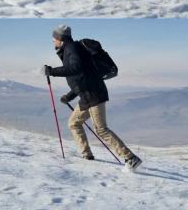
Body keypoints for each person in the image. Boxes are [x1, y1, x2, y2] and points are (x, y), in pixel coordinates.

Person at [43, 24, 142, 171]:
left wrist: (52, 71)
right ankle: (87, 155)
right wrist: (69, 96)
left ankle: (130, 158)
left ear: (60, 39)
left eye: (54, 39)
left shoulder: (72, 49)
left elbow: (77, 68)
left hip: (94, 95)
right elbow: (82, 78)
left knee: (101, 129)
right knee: (73, 123)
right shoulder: (70, 50)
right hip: (87, 96)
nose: (53, 42)